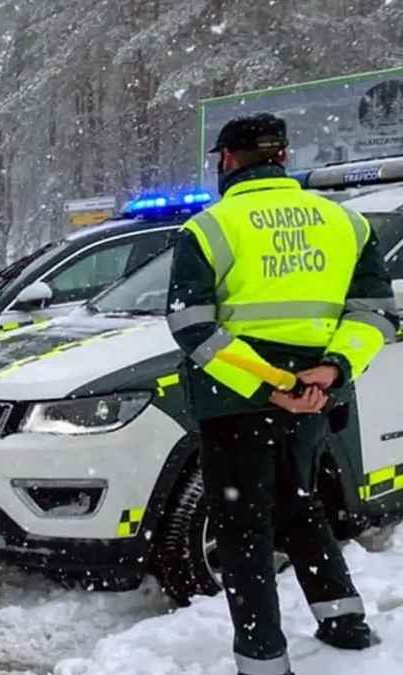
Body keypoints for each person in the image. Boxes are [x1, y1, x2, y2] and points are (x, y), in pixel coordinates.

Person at [167, 113, 398, 675]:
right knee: (300, 505)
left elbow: (192, 326)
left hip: (237, 404)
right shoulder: (345, 224)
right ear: (282, 157)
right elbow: (376, 316)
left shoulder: (210, 227)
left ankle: (263, 659)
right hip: (316, 404)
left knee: (243, 528)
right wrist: (330, 372)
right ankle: (344, 623)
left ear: (227, 160)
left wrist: (274, 386)